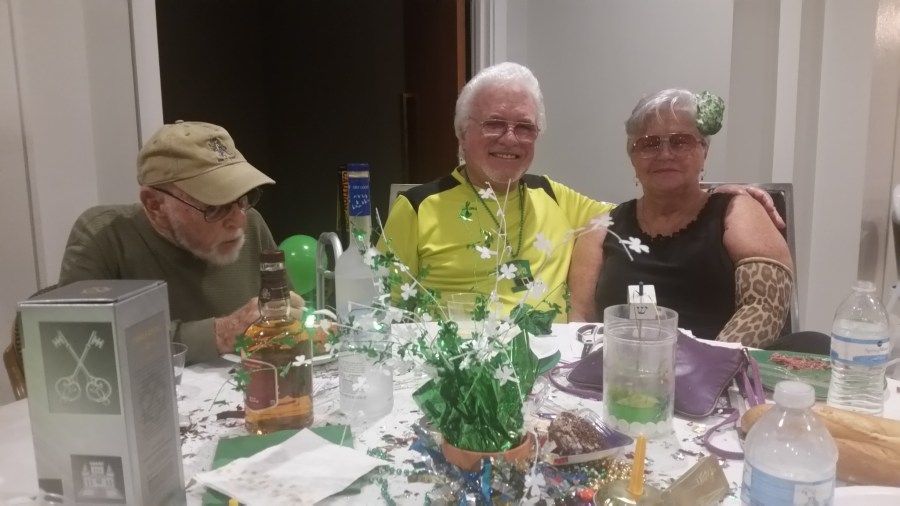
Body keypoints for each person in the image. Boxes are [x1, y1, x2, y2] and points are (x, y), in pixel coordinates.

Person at [380, 63, 780, 322]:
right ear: (461, 132)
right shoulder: (416, 208)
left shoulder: (555, 197)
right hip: (459, 371)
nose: (510, 138)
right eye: (494, 124)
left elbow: (653, 208)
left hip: (552, 369)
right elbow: (381, 312)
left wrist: (709, 193)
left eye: (525, 127)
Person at [58, 121, 300, 363]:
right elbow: (78, 344)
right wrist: (221, 333)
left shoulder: (253, 224)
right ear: (155, 205)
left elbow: (289, 322)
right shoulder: (105, 236)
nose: (239, 220)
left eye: (242, 198)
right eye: (215, 207)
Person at [568, 88, 793, 348]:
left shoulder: (736, 212)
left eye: (680, 141)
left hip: (718, 368)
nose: (665, 154)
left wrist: (702, 365)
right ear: (632, 158)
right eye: (649, 144)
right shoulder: (600, 229)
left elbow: (764, 307)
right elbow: (580, 319)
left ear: (704, 151)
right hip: (621, 367)